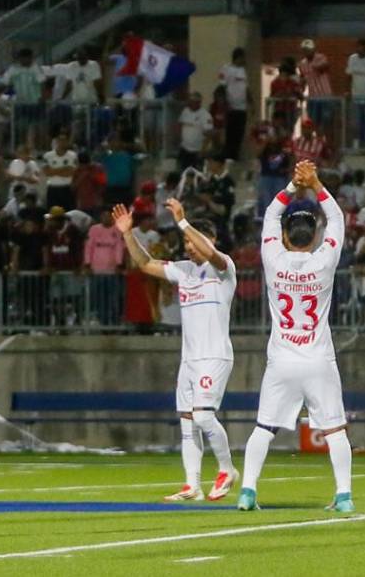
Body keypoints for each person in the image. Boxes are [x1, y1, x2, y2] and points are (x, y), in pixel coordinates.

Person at [238, 160, 352, 514]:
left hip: (283, 359)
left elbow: (271, 214)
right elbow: (337, 219)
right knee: (334, 430)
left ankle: (247, 491)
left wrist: (292, 186)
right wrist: (316, 185)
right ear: (315, 237)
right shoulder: (325, 261)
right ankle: (344, 496)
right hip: (318, 358)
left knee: (263, 428)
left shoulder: (273, 258)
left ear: (285, 236)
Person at [114, 198, 238, 502]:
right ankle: (191, 484)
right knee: (187, 422)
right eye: (185, 241)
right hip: (190, 360)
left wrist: (183, 222)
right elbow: (144, 264)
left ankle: (227, 469)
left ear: (212, 240)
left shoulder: (224, 269)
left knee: (204, 417)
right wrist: (127, 233)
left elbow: (212, 255)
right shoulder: (183, 270)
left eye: (193, 240)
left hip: (215, 356)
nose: (189, 247)